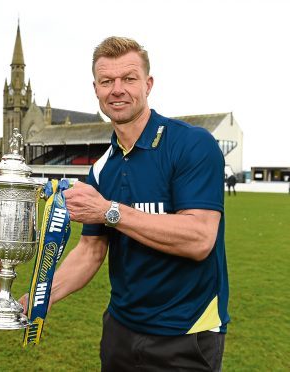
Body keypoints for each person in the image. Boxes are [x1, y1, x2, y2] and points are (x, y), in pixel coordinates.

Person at [41, 37, 229, 370]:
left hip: (186, 334)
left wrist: (109, 211)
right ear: (96, 90)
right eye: (106, 81)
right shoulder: (101, 168)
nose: (117, 89)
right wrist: (38, 298)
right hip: (120, 331)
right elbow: (90, 251)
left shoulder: (191, 144)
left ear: (148, 84)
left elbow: (199, 238)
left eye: (128, 78)